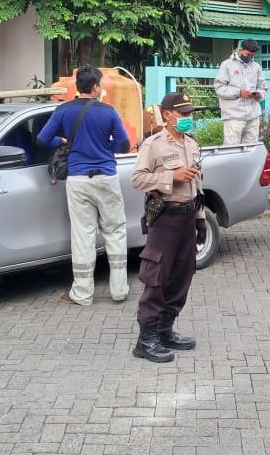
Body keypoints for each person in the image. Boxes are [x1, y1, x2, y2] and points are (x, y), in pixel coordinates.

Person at [38, 65, 130, 306]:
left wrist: (65, 140)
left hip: (78, 179)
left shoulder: (63, 111)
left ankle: (82, 294)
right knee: (115, 231)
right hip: (106, 177)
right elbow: (124, 145)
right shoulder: (109, 112)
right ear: (96, 87)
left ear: (78, 86)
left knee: (82, 234)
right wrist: (105, 147)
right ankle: (119, 290)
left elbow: (42, 138)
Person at [130, 92, 205, 363]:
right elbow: (138, 179)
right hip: (165, 218)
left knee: (182, 276)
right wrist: (170, 177)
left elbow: (197, 185)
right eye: (183, 113)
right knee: (157, 277)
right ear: (167, 114)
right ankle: (145, 339)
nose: (188, 118)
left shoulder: (192, 144)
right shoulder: (154, 144)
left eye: (189, 113)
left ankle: (165, 329)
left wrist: (200, 219)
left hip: (187, 217)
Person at [214, 38, 267, 145]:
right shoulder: (227, 65)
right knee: (231, 151)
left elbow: (263, 87)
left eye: (253, 55)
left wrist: (258, 95)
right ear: (240, 50)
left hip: (253, 116)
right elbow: (219, 88)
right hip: (233, 116)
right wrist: (238, 93)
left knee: (250, 151)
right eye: (248, 54)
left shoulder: (257, 67)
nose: (250, 57)